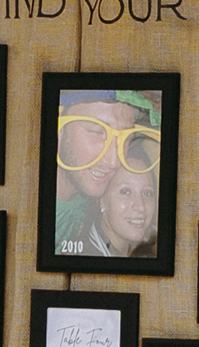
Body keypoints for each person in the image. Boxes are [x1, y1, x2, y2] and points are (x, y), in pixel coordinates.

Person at [52, 92, 163, 260]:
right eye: (96, 131)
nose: (114, 161)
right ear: (59, 129)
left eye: (127, 137)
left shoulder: (86, 200)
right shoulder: (31, 208)